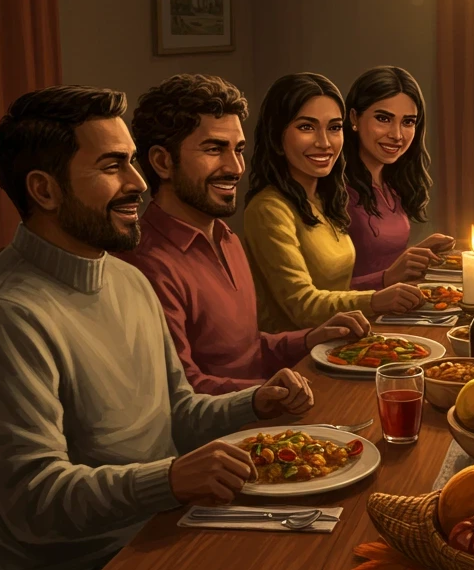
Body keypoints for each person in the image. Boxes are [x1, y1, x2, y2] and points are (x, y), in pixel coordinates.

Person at [0, 86, 334, 570]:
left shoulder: (123, 276)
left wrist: (254, 405)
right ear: (43, 191)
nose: (138, 184)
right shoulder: (6, 317)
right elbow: (34, 504)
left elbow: (176, 410)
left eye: (130, 160)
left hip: (157, 532)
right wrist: (174, 480)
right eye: (111, 166)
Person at [122, 74, 371, 394]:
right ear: (162, 161)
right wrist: (268, 393)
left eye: (238, 150)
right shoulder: (145, 263)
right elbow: (182, 391)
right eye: (214, 149)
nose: (235, 167)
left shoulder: (227, 238)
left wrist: (310, 338)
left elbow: (247, 350)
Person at [243, 72, 424, 332]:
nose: (324, 142)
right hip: (299, 357)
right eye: (307, 127)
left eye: (333, 128)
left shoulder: (325, 199)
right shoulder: (268, 208)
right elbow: (302, 306)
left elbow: (338, 288)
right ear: (276, 136)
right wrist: (376, 299)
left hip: (342, 339)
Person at [342, 65, 454, 289]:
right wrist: (388, 277)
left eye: (408, 122)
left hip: (393, 311)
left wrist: (418, 253)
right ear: (354, 117)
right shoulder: (336, 190)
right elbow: (320, 295)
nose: (397, 135)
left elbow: (381, 261)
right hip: (354, 317)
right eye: (383, 119)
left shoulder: (390, 184)